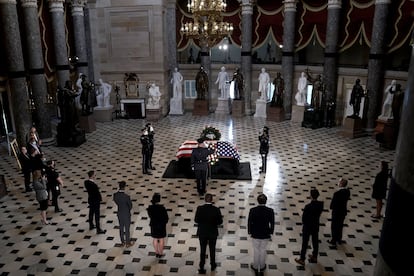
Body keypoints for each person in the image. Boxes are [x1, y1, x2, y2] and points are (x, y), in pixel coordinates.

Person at [194, 193, 223, 274]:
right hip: (212, 233)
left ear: (205, 199)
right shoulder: (216, 209)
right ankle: (213, 265)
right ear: (212, 200)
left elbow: (196, 220)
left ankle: (202, 265)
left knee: (202, 249)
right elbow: (220, 222)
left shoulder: (199, 208)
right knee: (212, 249)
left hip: (202, 232)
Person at [295, 188, 324, 266]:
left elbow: (304, 218)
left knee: (305, 243)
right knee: (315, 241)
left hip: (307, 227)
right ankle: (314, 256)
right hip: (315, 225)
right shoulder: (321, 204)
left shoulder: (308, 206)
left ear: (311, 196)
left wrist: (304, 224)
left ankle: (302, 259)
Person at [248, 193, 275, 274]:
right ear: (266, 201)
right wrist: (271, 232)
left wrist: (250, 231)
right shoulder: (270, 211)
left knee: (256, 250)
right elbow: (272, 223)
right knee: (263, 250)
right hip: (265, 234)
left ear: (257, 201)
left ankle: (255, 266)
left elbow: (249, 222)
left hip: (255, 233)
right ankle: (262, 266)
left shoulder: (253, 210)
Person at [328, 178, 350, 247]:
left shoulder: (337, 193)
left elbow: (332, 205)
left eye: (339, 182)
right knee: (340, 225)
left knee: (334, 226)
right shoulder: (347, 192)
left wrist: (331, 207)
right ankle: (339, 239)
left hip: (336, 212)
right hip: (343, 211)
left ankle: (333, 240)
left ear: (341, 184)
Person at [147, 192, 169, 258]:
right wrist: (164, 222)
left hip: (153, 225)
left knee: (155, 239)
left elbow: (150, 216)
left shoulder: (150, 208)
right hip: (161, 225)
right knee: (161, 239)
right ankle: (161, 253)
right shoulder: (162, 208)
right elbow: (166, 218)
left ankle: (156, 253)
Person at [113, 181, 133, 247]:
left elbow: (116, 202)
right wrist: (127, 209)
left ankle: (122, 242)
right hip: (126, 214)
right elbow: (130, 206)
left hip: (119, 213)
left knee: (121, 228)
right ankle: (128, 243)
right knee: (127, 229)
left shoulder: (115, 195)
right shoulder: (126, 196)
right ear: (124, 187)